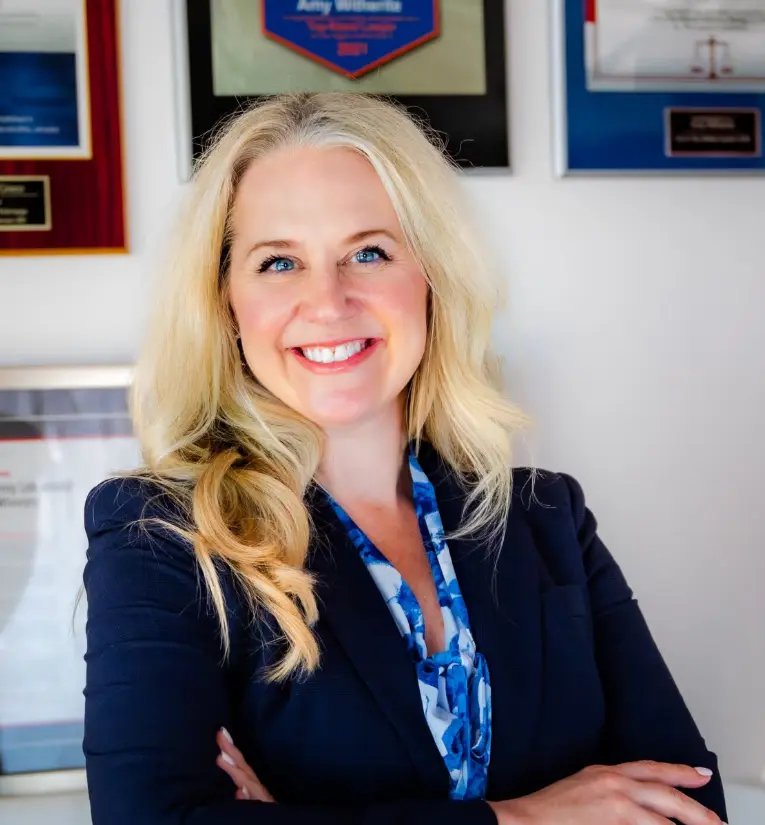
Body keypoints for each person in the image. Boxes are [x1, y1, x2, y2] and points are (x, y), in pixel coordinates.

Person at [82, 92, 727, 825]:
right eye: (279, 261)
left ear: (431, 276)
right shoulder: (162, 532)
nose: (327, 301)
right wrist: (525, 816)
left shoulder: (547, 518)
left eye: (368, 252)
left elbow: (689, 802)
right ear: (225, 300)